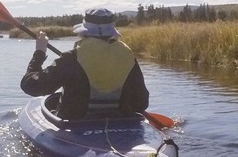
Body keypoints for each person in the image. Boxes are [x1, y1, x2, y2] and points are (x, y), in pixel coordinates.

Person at [20, 7, 150, 120]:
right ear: (112, 32)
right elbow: (141, 103)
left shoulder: (70, 58)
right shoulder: (128, 57)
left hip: (76, 127)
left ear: (83, 32)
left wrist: (39, 53)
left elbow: (31, 86)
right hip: (120, 126)